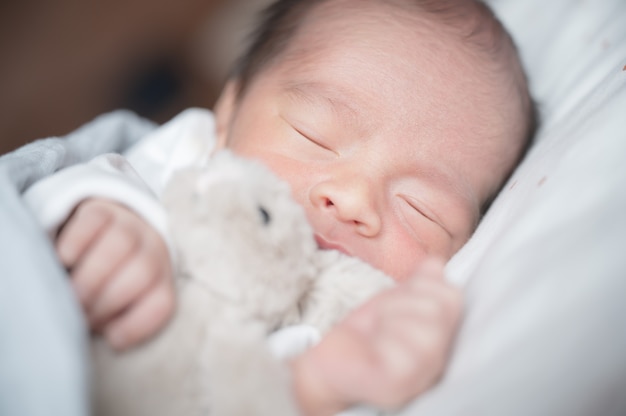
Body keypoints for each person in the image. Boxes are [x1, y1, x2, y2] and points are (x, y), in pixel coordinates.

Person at [23, 0, 536, 414]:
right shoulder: (177, 168)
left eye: (422, 209)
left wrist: (314, 385)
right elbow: (59, 186)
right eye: (313, 132)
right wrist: (97, 210)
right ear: (227, 113)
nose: (354, 199)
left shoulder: (352, 326)